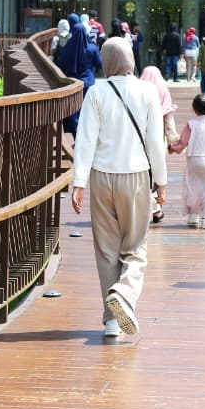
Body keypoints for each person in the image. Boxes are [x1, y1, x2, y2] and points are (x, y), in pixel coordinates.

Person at [70, 37, 168, 339]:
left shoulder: (96, 92)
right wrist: (161, 179)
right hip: (136, 177)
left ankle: (112, 321)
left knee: (106, 250)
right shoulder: (147, 91)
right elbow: (155, 140)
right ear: (131, 59)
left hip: (101, 177)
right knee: (135, 247)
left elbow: (85, 140)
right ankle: (124, 294)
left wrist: (78, 182)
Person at [169, 93, 205, 229]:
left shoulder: (191, 124)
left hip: (193, 159)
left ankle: (193, 216)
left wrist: (172, 148)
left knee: (192, 186)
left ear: (194, 109)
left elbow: (182, 143)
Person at [140, 65, 180, 224]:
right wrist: (173, 142)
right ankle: (156, 210)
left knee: (142, 177)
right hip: (158, 142)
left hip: (138, 141)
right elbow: (169, 122)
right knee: (157, 178)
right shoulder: (163, 92)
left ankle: (147, 208)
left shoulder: (138, 90)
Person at [56, 12, 102, 135]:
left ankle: (75, 133)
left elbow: (61, 64)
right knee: (89, 111)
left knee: (73, 110)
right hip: (89, 83)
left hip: (73, 83)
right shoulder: (92, 48)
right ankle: (88, 134)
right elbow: (99, 64)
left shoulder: (68, 48)